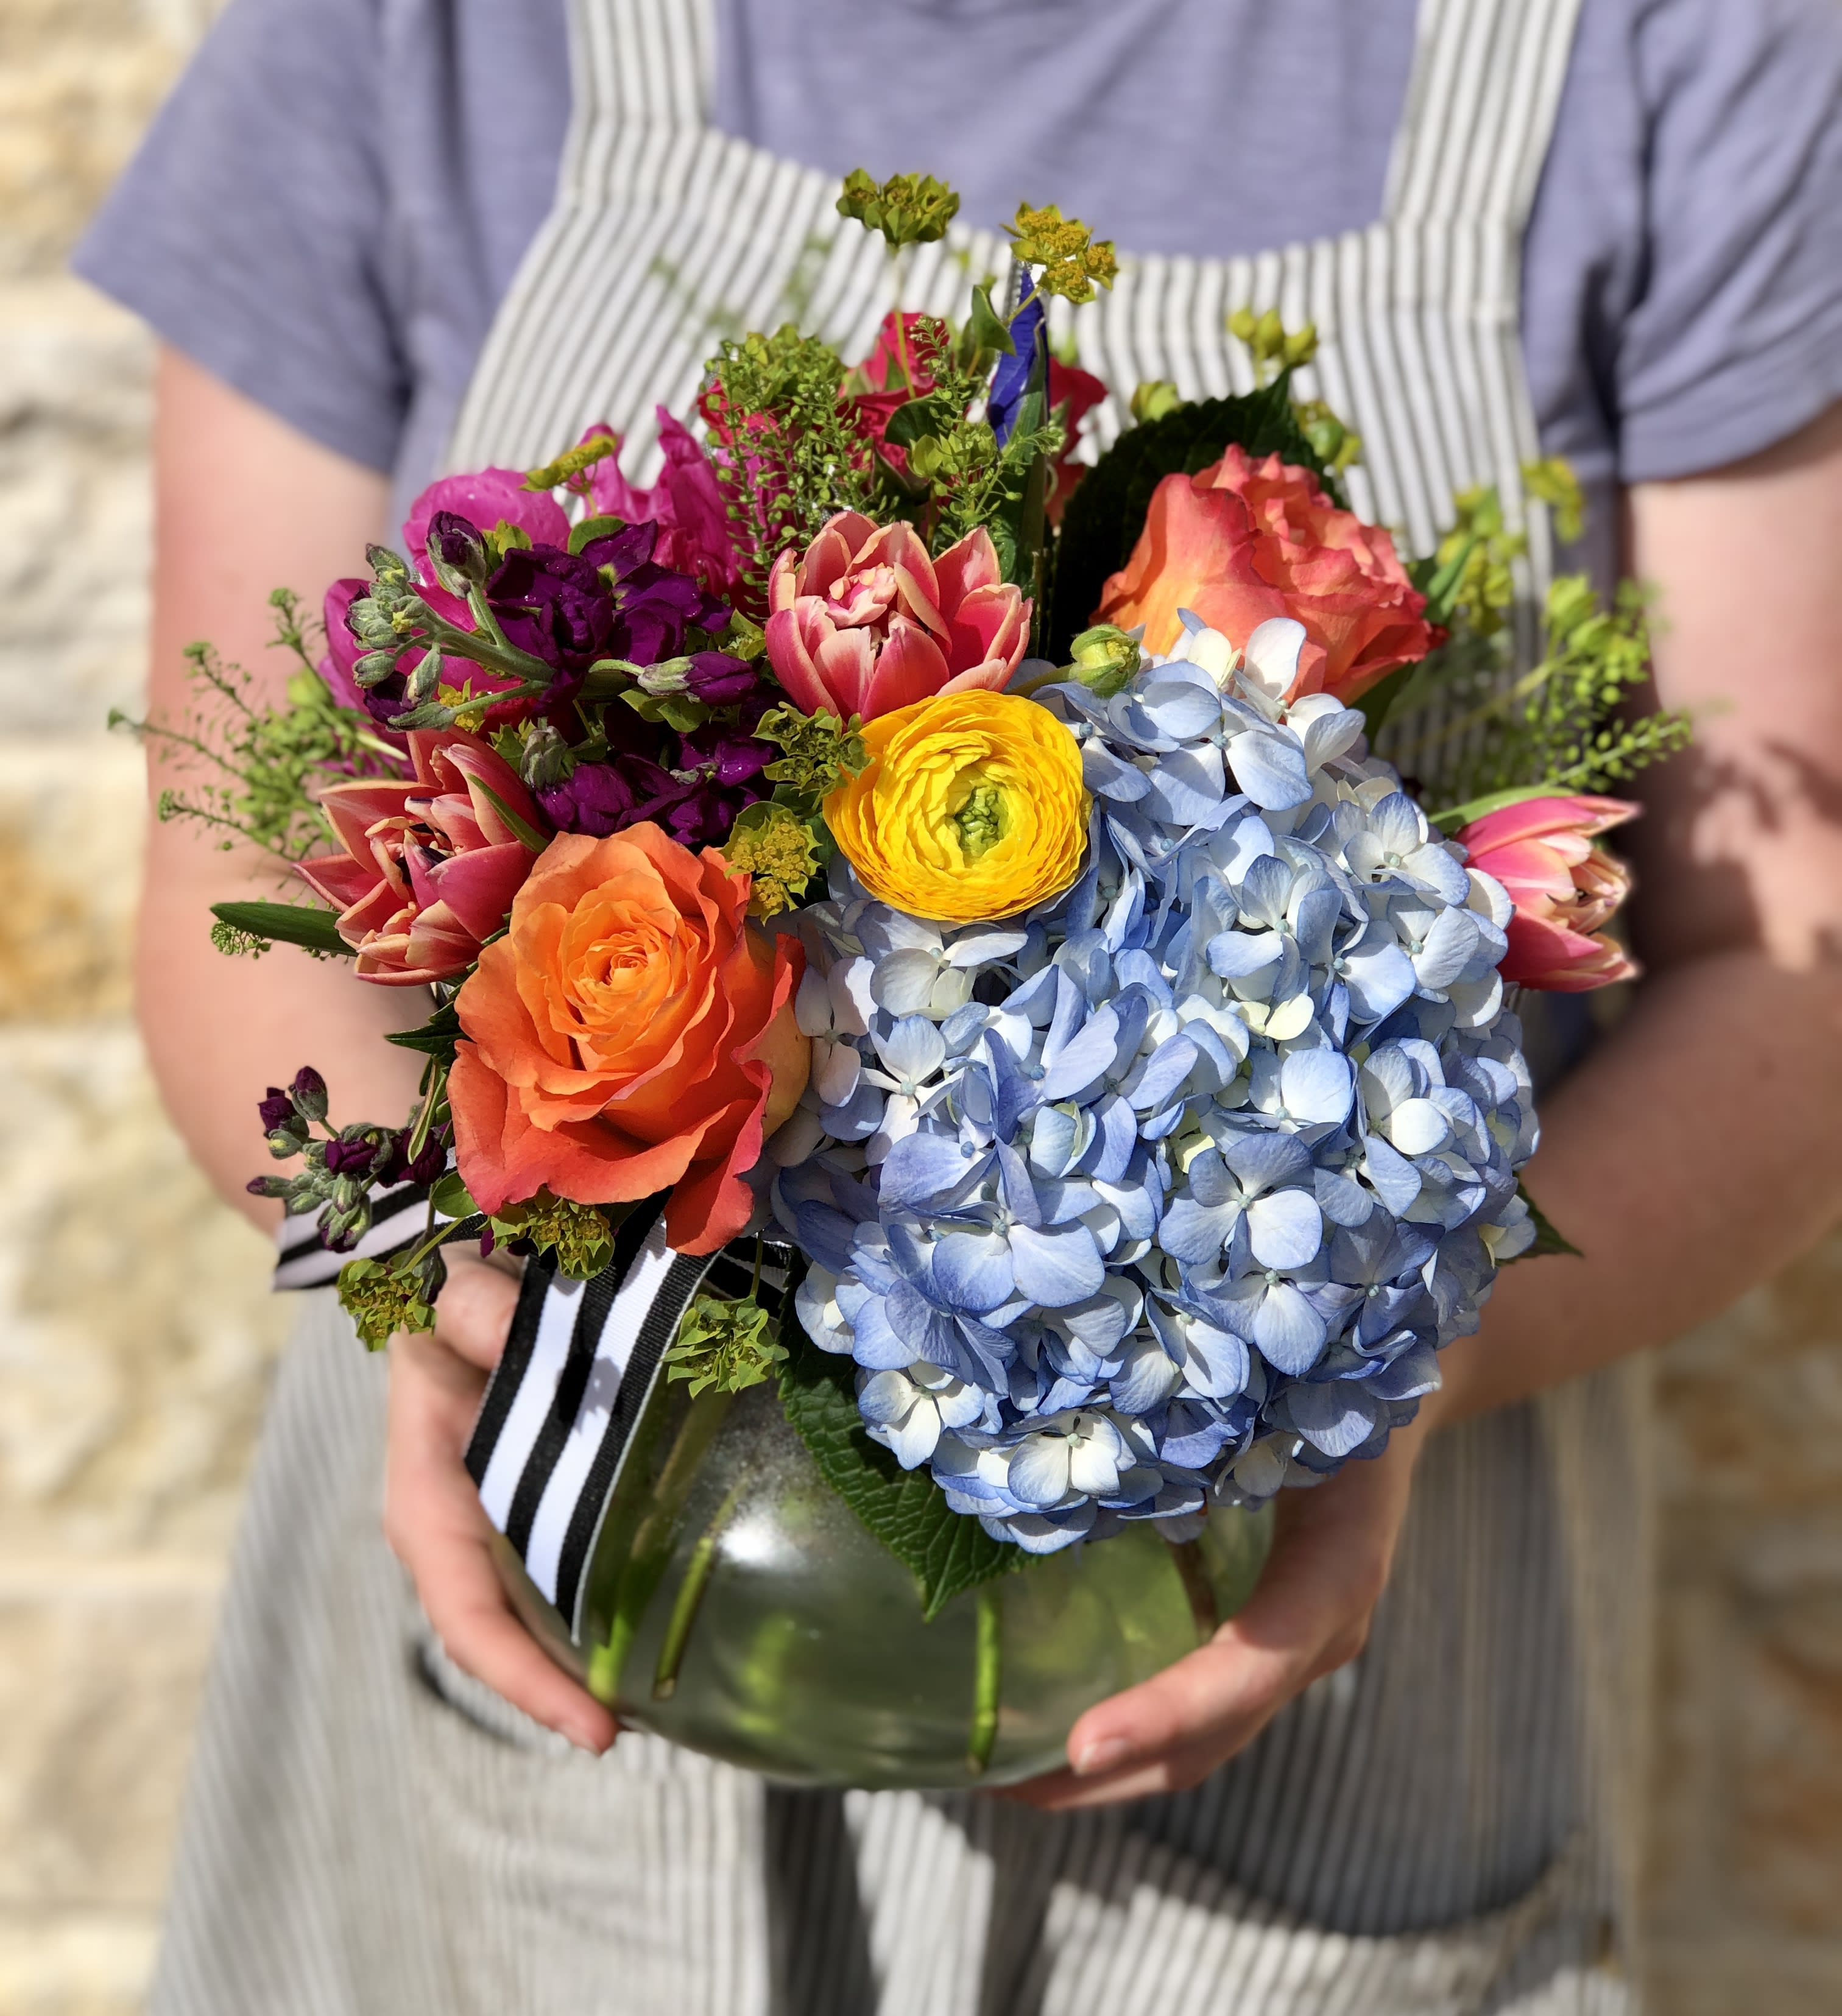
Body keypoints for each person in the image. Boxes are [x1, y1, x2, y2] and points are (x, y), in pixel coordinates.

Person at [77, 0, 1842, 2009]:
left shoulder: (1669, 48)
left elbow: (1789, 966)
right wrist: (473, 1311)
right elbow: (238, 868)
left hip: (1299, 1632)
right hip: (565, 1597)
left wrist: (1371, 1385)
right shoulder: (418, 34)